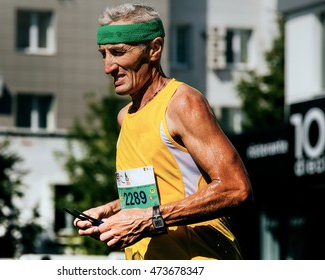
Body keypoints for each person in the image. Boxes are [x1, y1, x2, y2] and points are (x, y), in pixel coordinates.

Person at [74, 3, 252, 260]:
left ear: (154, 49)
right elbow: (156, 196)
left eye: (119, 52)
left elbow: (236, 189)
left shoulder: (182, 102)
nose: (108, 67)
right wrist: (112, 212)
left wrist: (148, 219)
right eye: (103, 54)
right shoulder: (125, 117)